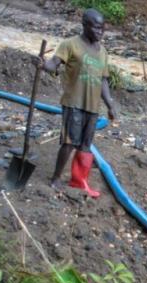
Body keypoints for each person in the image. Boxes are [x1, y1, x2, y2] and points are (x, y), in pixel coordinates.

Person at [35, 8, 117, 198]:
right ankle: (55, 178)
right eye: (96, 28)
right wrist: (44, 65)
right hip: (74, 103)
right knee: (69, 142)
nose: (100, 32)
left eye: (102, 28)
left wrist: (110, 104)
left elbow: (104, 80)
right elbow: (54, 63)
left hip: (93, 106)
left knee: (86, 145)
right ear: (85, 25)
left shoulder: (103, 52)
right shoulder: (71, 44)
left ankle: (79, 181)